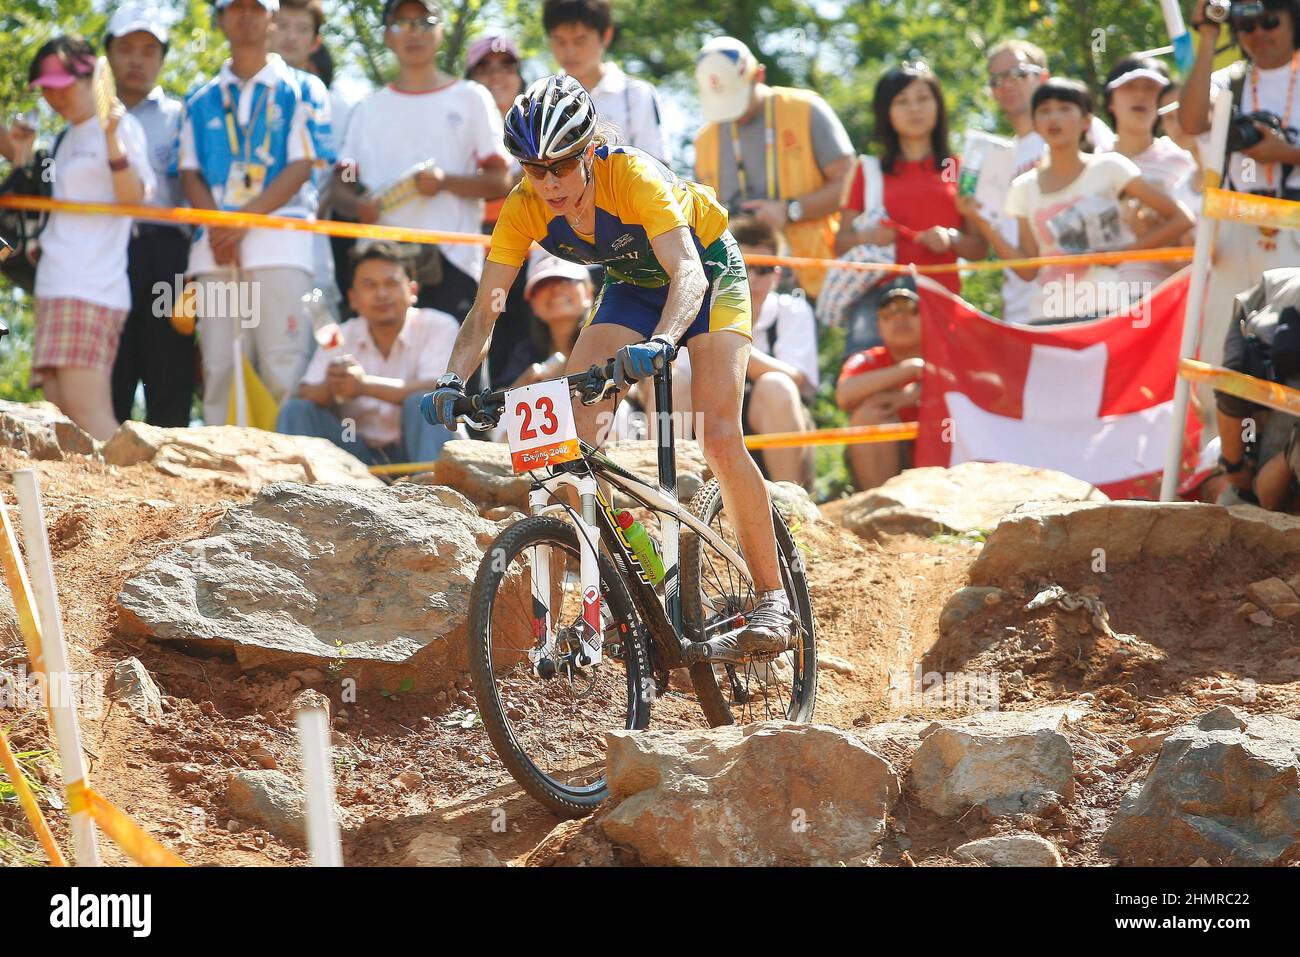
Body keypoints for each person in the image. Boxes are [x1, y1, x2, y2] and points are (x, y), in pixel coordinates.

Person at [426, 74, 797, 658]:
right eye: (534, 168)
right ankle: (635, 588)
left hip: (705, 272)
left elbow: (689, 276)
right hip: (632, 286)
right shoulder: (524, 206)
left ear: (592, 151)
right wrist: (453, 378)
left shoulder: (634, 176)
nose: (549, 182)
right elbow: (486, 308)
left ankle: (774, 598)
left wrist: (665, 339)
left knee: (720, 436)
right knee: (568, 445)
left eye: (563, 165)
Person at [178, 0, 334, 426]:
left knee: (284, 367)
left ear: (272, 18)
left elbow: (303, 166)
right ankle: (220, 482)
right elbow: (189, 172)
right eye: (235, 7)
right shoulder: (199, 96)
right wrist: (221, 225)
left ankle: (294, 486)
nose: (245, 16)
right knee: (219, 368)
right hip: (214, 248)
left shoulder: (304, 87)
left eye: (255, 7)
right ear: (222, 17)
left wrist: (242, 223)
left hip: (282, 246)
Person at [2, 36, 154, 440]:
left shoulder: (123, 127)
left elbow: (135, 199)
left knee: (89, 413)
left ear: (91, 77)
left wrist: (112, 139)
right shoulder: (63, 139)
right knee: (61, 415)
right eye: (46, 87)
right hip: (55, 284)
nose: (54, 95)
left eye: (62, 82)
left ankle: (134, 493)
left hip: (92, 287)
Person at [332, 0, 510, 333]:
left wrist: (445, 182)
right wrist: (356, 204)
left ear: (441, 29)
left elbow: (500, 179)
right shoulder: (368, 109)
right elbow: (342, 179)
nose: (414, 33)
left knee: (454, 379)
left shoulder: (471, 97)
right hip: (381, 269)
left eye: (425, 22)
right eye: (402, 23)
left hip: (452, 262)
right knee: (379, 376)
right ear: (386, 35)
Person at [961, 79, 1193, 323]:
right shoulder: (1023, 187)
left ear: (1086, 121)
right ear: (1035, 124)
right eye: (1044, 110)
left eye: (1064, 108)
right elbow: (1028, 269)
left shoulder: (1110, 167)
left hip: (1106, 312)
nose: (1054, 118)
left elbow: (1181, 219)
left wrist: (1120, 254)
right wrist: (983, 223)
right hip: (1045, 317)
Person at [1179, 0, 1300, 429]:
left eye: (1270, 21)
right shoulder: (1227, 80)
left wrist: (1285, 152)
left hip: (1293, 229)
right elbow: (1190, 121)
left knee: (1289, 343)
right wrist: (1209, 36)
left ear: (1293, 21)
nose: (1258, 33)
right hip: (1233, 227)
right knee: (1222, 345)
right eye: (1246, 23)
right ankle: (1223, 454)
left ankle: (1285, 458)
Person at [835, 61, 987, 356]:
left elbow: (980, 247)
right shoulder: (868, 170)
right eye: (901, 101)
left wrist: (951, 239)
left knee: (937, 393)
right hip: (879, 306)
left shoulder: (959, 169)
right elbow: (840, 244)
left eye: (923, 98)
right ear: (885, 112)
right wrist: (867, 237)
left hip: (942, 301)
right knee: (871, 394)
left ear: (938, 105)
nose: (914, 109)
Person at [693, 35, 855, 298]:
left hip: (811, 277)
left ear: (759, 75)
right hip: (736, 284)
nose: (732, 111)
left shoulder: (805, 109)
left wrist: (791, 210)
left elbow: (850, 183)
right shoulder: (705, 139)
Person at [277, 242, 459, 463]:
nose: (381, 294)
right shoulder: (340, 335)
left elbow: (441, 389)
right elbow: (307, 393)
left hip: (417, 451)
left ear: (412, 291)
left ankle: (435, 491)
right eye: (370, 285)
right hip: (357, 453)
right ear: (353, 298)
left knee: (427, 402)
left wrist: (363, 386)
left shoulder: (438, 325)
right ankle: (291, 491)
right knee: (297, 410)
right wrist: (331, 385)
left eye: (391, 283)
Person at [104, 4, 196, 427]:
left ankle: (175, 481)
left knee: (170, 372)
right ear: (108, 55)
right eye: (126, 48)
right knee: (109, 371)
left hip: (168, 257)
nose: (137, 59)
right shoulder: (87, 120)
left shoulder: (183, 117)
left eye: (148, 49)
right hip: (105, 255)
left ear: (162, 58)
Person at [982, 39, 1118, 324]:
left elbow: (1115, 196)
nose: (1007, 84)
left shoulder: (1084, 129)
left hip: (1091, 302)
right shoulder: (995, 161)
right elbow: (1005, 241)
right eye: (998, 79)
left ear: (1044, 76)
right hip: (1025, 312)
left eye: (1019, 74)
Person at [731, 216, 819, 488]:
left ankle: (791, 504)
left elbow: (798, 379)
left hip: (775, 416)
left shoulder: (792, 310)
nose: (751, 277)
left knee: (776, 386)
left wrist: (730, 347)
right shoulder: (701, 307)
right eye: (742, 266)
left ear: (777, 275)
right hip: (716, 413)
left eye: (762, 268)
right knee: (679, 387)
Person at [1101, 56, 1198, 294]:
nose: (1140, 95)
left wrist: (1148, 232)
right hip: (1094, 302)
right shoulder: (1089, 164)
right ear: (1110, 102)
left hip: (1162, 300)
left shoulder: (1183, 159)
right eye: (1129, 87)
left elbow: (1192, 255)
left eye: (1150, 88)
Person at [1212, 267, 1300, 511]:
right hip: (1261, 318)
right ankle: (1239, 495)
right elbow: (1233, 390)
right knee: (1256, 493)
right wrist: (1234, 467)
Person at [542, 0, 669, 164]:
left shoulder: (635, 95)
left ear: (606, 35)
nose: (569, 51)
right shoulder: (543, 97)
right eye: (560, 41)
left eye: (580, 40)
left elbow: (657, 169)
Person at [836, 280, 921, 491]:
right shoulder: (868, 360)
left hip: (947, 456)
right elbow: (844, 395)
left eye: (910, 309)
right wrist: (910, 369)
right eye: (888, 313)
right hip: (895, 467)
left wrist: (916, 392)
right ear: (879, 326)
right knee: (869, 416)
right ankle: (880, 510)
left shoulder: (949, 355)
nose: (900, 317)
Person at [466, 33, 526, 230]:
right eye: (484, 68)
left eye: (506, 67)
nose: (496, 76)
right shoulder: (455, 131)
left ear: (519, 76)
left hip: (536, 247)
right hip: (466, 244)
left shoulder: (541, 127)